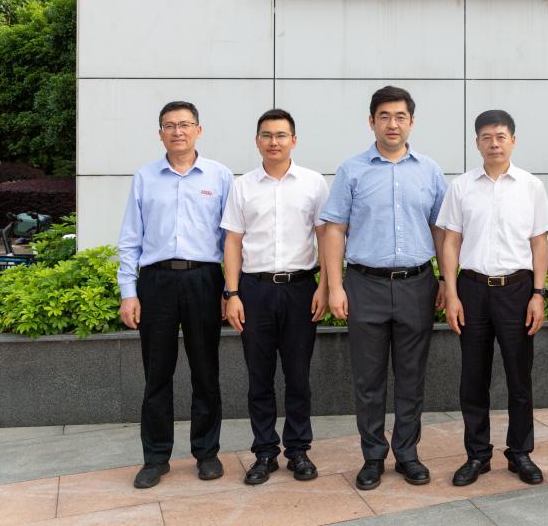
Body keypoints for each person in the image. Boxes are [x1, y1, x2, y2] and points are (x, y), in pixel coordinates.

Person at [321, 86, 447, 491]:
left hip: (417, 284)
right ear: (371, 121)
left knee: (411, 376)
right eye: (384, 116)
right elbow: (334, 229)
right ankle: (373, 456)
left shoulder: (429, 170)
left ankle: (407, 454)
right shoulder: (352, 170)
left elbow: (442, 230)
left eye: (400, 116)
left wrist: (447, 281)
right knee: (368, 379)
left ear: (412, 121)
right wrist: (335, 286)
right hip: (365, 285)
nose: (392, 124)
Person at [117, 100, 234, 489]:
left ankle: (207, 453)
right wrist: (128, 292)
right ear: (160, 133)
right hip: (157, 282)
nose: (178, 131)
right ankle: (155, 457)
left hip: (204, 280)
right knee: (157, 373)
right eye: (170, 125)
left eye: (185, 124)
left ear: (199, 130)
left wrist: (230, 290)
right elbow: (130, 238)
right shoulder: (145, 177)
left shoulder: (220, 176)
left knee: (206, 370)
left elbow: (231, 239)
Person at [437, 110, 548, 487]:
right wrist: (451, 292)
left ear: (513, 141)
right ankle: (477, 454)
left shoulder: (531, 186)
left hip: (517, 290)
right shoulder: (461, 187)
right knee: (473, 376)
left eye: (501, 136)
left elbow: (539, 243)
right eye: (486, 137)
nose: (494, 143)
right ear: (477, 143)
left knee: (520, 376)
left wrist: (538, 293)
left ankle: (520, 453)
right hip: (471, 289)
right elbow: (451, 241)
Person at [221, 109, 330, 485]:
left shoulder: (314, 183)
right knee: (259, 375)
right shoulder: (243, 186)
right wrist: (232, 293)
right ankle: (265, 452)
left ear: (294, 140)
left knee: (298, 375)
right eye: (266, 135)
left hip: (301, 289)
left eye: (281, 135)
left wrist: (325, 285)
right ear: (257, 141)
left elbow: (326, 237)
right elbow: (232, 241)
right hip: (255, 290)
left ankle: (298, 450)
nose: (274, 142)